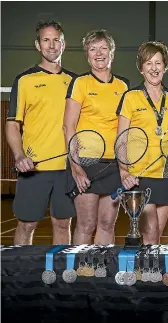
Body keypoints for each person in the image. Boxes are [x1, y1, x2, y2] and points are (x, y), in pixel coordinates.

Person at [5, 20, 76, 245]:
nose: (52, 45)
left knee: (63, 224)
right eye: (46, 40)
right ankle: (19, 277)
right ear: (38, 45)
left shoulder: (75, 82)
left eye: (56, 40)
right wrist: (19, 156)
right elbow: (12, 125)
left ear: (63, 44)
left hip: (66, 170)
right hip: (34, 168)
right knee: (27, 224)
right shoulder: (24, 80)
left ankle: (62, 277)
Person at [63, 29, 130, 245]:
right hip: (86, 163)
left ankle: (102, 274)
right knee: (86, 224)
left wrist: (124, 167)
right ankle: (79, 273)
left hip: (114, 166)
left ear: (112, 52)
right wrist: (76, 167)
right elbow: (68, 127)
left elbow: (125, 131)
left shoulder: (123, 86)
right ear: (87, 54)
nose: (98, 53)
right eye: (93, 49)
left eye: (103, 48)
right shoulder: (80, 83)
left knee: (107, 224)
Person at [116, 41, 168, 244]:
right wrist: (124, 171)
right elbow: (121, 138)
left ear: (165, 66)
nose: (154, 68)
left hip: (165, 174)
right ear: (141, 68)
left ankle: (151, 272)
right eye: (148, 63)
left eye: (158, 63)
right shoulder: (130, 97)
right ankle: (145, 274)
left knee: (156, 234)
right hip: (138, 176)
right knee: (150, 230)